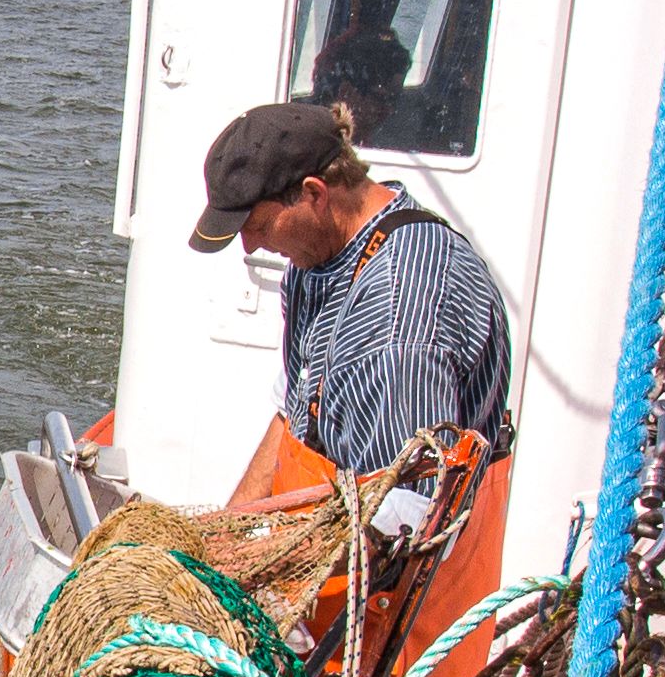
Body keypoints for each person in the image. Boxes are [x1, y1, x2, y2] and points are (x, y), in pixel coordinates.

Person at [189, 99, 512, 473]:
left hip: (385, 523)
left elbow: (401, 514)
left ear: (314, 194)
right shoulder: (319, 255)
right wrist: (229, 528)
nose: (249, 246)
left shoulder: (395, 321)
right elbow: (294, 414)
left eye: (259, 227)